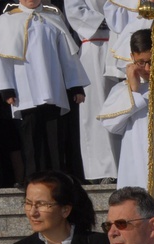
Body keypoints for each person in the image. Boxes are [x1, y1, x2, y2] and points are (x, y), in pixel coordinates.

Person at [0, 0, 89, 176]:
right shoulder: (7, 20)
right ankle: (33, 179)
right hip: (25, 90)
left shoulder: (53, 18)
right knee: (31, 140)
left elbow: (68, 55)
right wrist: (6, 88)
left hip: (53, 88)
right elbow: (2, 58)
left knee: (56, 138)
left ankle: (58, 179)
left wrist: (75, 85)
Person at [64, 0, 120, 183]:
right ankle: (103, 170)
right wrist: (109, 20)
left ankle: (124, 163)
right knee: (97, 109)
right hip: (95, 46)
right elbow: (75, 11)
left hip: (123, 44)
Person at [98, 29, 152, 189]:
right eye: (141, 62)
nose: (148, 69)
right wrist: (134, 91)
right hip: (137, 162)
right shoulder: (123, 89)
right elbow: (111, 125)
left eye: (152, 61)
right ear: (132, 58)